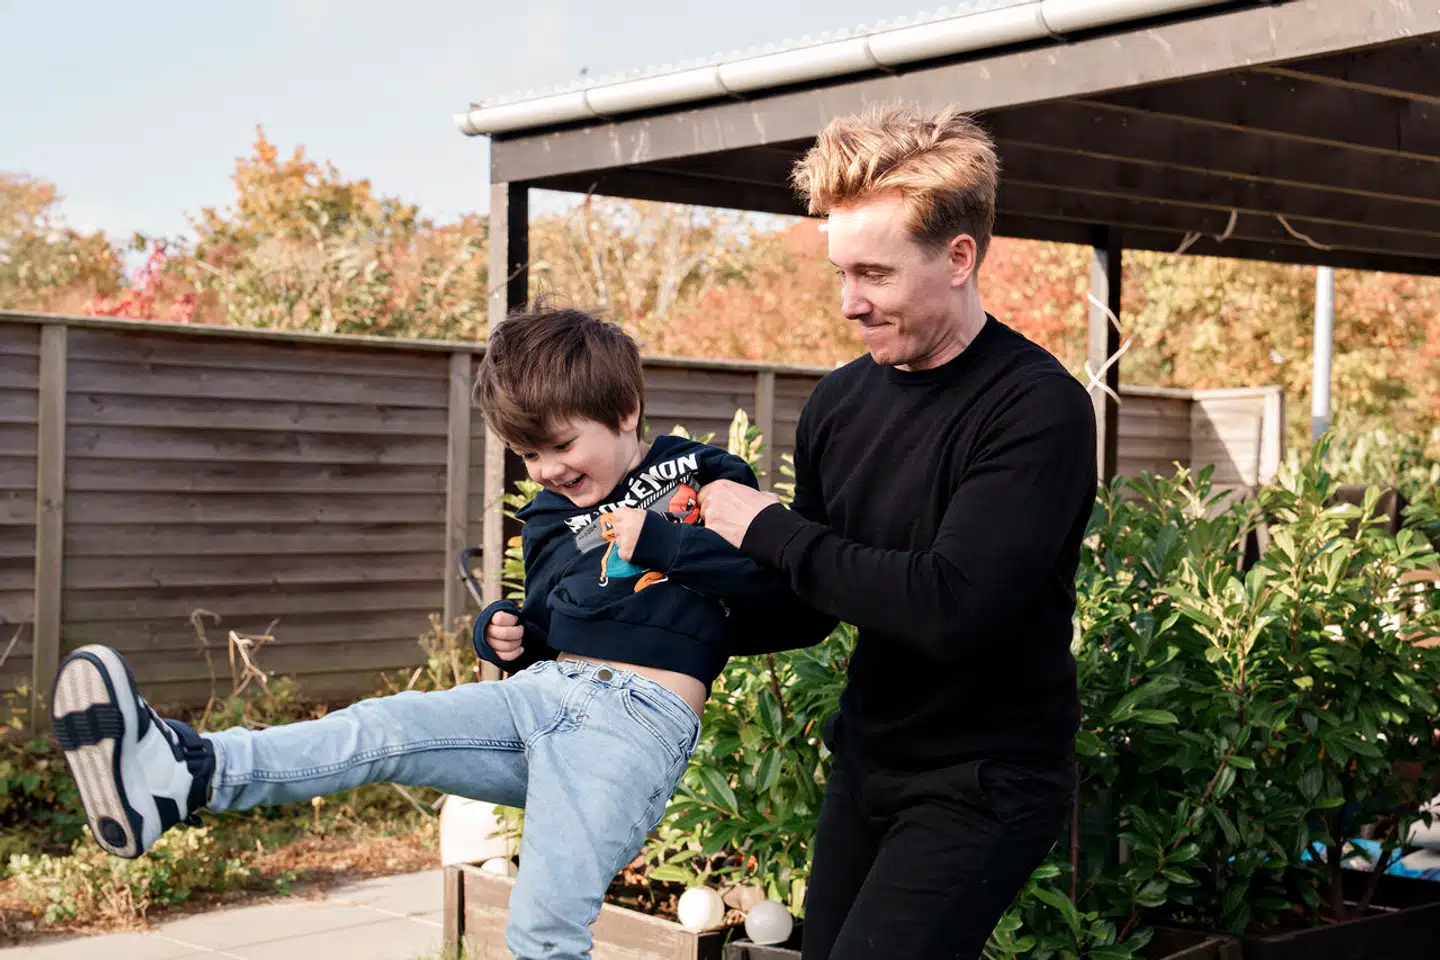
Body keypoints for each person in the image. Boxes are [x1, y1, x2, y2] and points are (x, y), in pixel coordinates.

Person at [49, 306, 787, 960]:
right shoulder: (545, 516)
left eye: (561, 445)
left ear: (625, 411)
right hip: (543, 692)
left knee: (543, 929)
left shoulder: (700, 469)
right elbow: (550, 622)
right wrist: (506, 635)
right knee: (383, 728)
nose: (546, 470)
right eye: (528, 455)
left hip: (633, 720)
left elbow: (767, 580)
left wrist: (662, 542)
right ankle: (187, 772)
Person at [698, 105, 1099, 959]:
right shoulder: (839, 403)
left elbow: (951, 606)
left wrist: (770, 530)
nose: (850, 303)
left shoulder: (1036, 409)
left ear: (958, 258)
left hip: (986, 778)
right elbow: (811, 602)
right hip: (868, 761)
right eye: (841, 273)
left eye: (874, 274)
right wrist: (658, 599)